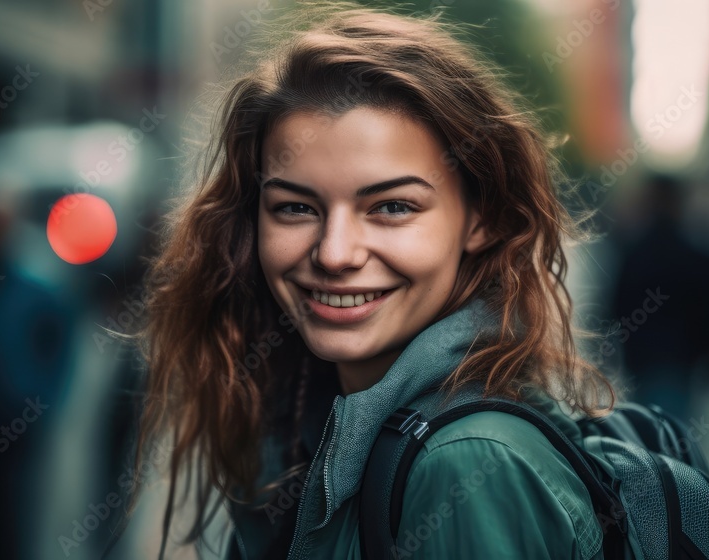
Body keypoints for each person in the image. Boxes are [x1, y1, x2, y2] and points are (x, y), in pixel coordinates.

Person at [111, 5, 620, 559]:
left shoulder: (470, 465)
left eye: (392, 206)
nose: (334, 253)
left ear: (482, 219)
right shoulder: (311, 413)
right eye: (296, 208)